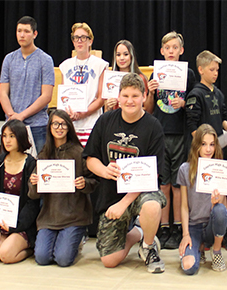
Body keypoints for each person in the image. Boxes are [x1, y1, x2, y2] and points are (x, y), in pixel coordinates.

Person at [83, 73, 167, 273]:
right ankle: (137, 233)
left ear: (144, 97)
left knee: (152, 206)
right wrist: (104, 170)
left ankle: (148, 247)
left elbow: (152, 176)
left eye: (135, 96)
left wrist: (124, 204)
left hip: (139, 193)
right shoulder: (105, 121)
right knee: (109, 261)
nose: (130, 101)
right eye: (126, 95)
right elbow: (90, 158)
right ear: (118, 97)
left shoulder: (153, 127)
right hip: (111, 195)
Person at [145, 31, 197, 250]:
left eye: (175, 47)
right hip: (160, 134)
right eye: (167, 48)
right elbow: (147, 109)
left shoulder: (189, 74)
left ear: (181, 51)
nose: (171, 51)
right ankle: (164, 227)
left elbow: (195, 105)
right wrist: (149, 92)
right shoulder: (154, 76)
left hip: (181, 134)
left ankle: (177, 226)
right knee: (163, 183)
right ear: (162, 51)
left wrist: (183, 104)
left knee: (177, 184)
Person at [29, 110, 97, 266]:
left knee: (63, 259)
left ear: (69, 127)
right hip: (49, 217)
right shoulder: (44, 154)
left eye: (63, 124)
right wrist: (34, 183)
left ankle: (78, 239)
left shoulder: (79, 152)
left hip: (73, 217)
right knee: (42, 258)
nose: (59, 128)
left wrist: (84, 183)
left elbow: (94, 181)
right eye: (55, 124)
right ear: (50, 127)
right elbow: (33, 195)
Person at [178, 124, 227, 274]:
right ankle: (198, 248)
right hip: (193, 226)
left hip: (211, 226)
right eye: (204, 144)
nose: (208, 149)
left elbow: (223, 213)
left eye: (212, 145)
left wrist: (215, 203)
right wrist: (185, 234)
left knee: (219, 210)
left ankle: (216, 251)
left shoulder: (222, 170)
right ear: (196, 146)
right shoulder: (185, 169)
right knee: (189, 268)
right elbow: (184, 206)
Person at [0, 119, 40, 264]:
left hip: (22, 224)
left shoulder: (31, 163)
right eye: (4, 136)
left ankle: (30, 248)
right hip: (1, 221)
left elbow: (32, 203)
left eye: (12, 136)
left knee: (6, 255)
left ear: (21, 137)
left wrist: (15, 225)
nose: (7, 140)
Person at [0, 16, 55, 153]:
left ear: (35, 34)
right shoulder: (9, 59)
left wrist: (22, 116)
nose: (22, 35)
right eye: (19, 31)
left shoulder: (45, 60)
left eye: (26, 31)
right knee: (9, 166)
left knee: (37, 168)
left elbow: (46, 96)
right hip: (12, 124)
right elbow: (2, 93)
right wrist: (12, 115)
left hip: (37, 126)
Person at [58, 23, 108, 146]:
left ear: (90, 41)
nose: (79, 41)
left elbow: (101, 98)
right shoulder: (65, 65)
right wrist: (69, 114)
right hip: (70, 124)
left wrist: (82, 114)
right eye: (76, 38)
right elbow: (63, 97)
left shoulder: (100, 65)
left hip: (91, 124)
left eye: (83, 37)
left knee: (88, 161)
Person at [185, 50, 227, 139]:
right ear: (200, 70)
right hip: (203, 146)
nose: (215, 73)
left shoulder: (218, 93)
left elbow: (222, 118)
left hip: (218, 144)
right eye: (212, 70)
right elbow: (192, 125)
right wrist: (202, 144)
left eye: (217, 70)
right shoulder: (196, 94)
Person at [103, 40, 148, 111]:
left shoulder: (140, 78)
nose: (121, 58)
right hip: (115, 119)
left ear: (131, 56)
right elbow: (106, 112)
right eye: (118, 55)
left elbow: (147, 109)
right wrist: (109, 106)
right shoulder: (110, 79)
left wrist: (130, 106)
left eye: (126, 54)